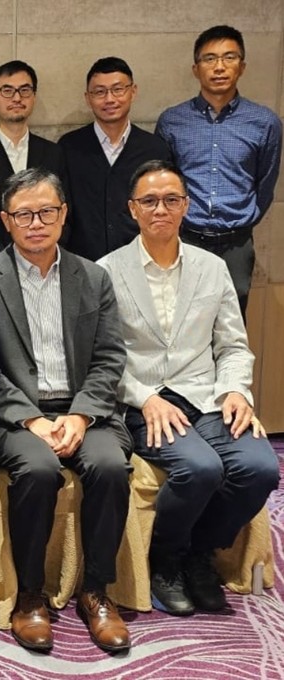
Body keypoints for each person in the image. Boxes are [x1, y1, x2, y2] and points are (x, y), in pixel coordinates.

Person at [98, 159, 279, 617]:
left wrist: (237, 391)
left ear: (186, 206)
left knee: (260, 467)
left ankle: (200, 553)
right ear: (132, 209)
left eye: (171, 200)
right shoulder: (106, 271)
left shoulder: (212, 267)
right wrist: (144, 397)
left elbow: (234, 346)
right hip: (145, 402)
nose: (161, 209)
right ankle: (165, 559)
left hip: (206, 397)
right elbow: (104, 358)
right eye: (149, 201)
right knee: (199, 469)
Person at [0, 168, 132, 653]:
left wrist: (81, 415)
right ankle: (30, 596)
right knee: (39, 468)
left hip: (84, 409)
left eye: (46, 211)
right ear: (7, 220)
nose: (36, 223)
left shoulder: (93, 277)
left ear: (64, 214)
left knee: (110, 466)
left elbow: (111, 357)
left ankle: (97, 591)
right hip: (15, 414)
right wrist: (32, 419)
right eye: (24, 214)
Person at [155, 25, 282, 318]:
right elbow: (165, 181)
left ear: (242, 66)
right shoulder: (173, 121)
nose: (220, 67)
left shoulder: (264, 122)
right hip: (184, 239)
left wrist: (244, 219)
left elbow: (266, 182)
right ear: (195, 68)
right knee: (180, 321)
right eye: (210, 59)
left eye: (229, 57)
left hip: (236, 243)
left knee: (231, 325)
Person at [60, 57, 171, 260]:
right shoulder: (69, 147)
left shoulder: (155, 149)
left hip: (142, 262)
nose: (109, 99)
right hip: (83, 264)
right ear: (88, 98)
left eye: (118, 89)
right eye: (100, 92)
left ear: (133, 91)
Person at [0, 61, 66, 256]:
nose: (17, 98)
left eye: (24, 90)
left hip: (46, 258)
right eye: (7, 91)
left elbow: (65, 212)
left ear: (34, 97)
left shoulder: (54, 153)